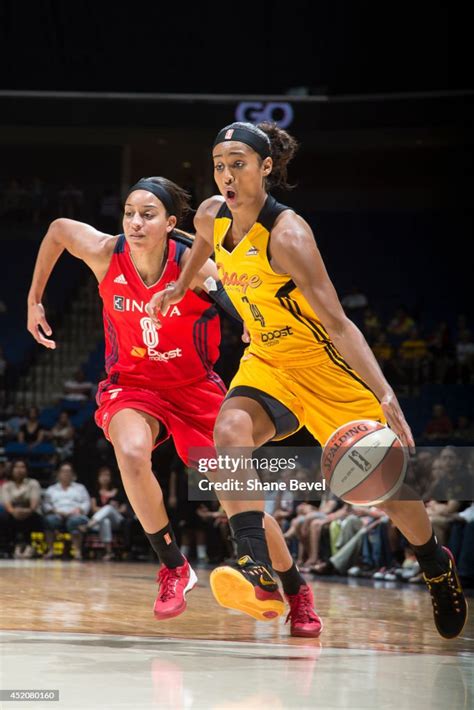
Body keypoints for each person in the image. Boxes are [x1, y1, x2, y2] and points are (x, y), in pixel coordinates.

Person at [150, 121, 468, 640]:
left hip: (323, 369)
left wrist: (386, 395)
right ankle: (257, 567)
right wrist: (178, 288)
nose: (226, 176)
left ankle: (435, 561)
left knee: (384, 489)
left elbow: (339, 323)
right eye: (219, 165)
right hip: (267, 362)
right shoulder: (210, 213)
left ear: (266, 167)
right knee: (228, 433)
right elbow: (202, 251)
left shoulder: (289, 236)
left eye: (239, 164)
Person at [27, 175, 320, 635]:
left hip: (194, 391)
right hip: (134, 385)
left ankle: (295, 590)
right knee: (129, 451)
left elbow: (242, 295)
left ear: (170, 222)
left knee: (241, 506)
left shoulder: (196, 269)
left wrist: (248, 320)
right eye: (129, 213)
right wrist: (34, 299)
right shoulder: (107, 254)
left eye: (147, 215)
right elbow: (59, 230)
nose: (135, 223)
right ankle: (173, 567)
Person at [42, 462, 91, 559]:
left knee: (74, 521)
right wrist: (55, 511)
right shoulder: (52, 489)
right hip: (57, 514)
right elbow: (46, 504)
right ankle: (51, 550)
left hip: (75, 515)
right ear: (58, 474)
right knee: (48, 521)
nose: (66, 474)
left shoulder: (80, 488)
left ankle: (77, 551)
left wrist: (79, 509)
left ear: (73, 474)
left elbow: (86, 503)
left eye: (68, 472)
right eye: (63, 471)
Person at [80, 465, 127, 561]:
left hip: (117, 520)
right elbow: (93, 509)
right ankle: (109, 552)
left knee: (109, 508)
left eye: (107, 475)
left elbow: (123, 510)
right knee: (105, 521)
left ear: (111, 477)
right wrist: (106, 511)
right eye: (102, 475)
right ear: (98, 478)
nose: (105, 478)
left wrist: (111, 510)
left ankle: (88, 525)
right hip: (101, 521)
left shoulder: (118, 491)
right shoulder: (95, 492)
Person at [2, 459, 43, 559]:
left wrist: (26, 511)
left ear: (27, 470)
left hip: (31, 514)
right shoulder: (6, 486)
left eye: (22, 467)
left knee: (32, 518)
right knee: (3, 516)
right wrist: (14, 512)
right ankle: (10, 547)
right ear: (12, 470)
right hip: (12, 514)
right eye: (16, 467)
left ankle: (28, 546)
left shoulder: (33, 483)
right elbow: (7, 504)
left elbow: (34, 505)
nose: (19, 470)